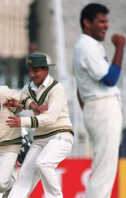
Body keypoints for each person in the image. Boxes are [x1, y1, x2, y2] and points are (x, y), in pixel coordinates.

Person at [72, 3, 125, 198]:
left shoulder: (88, 46)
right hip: (102, 109)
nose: (106, 26)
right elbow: (110, 78)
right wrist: (120, 48)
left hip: (98, 109)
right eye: (101, 21)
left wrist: (89, 111)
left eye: (107, 21)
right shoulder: (86, 46)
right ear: (87, 23)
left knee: (104, 168)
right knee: (104, 171)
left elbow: (80, 88)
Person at [6, 54, 74, 198]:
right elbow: (20, 103)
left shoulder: (57, 89)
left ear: (46, 70)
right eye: (29, 70)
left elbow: (50, 118)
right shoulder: (27, 89)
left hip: (61, 136)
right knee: (24, 175)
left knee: (43, 163)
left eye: (35, 70)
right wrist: (13, 106)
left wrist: (22, 122)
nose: (32, 74)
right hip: (40, 139)